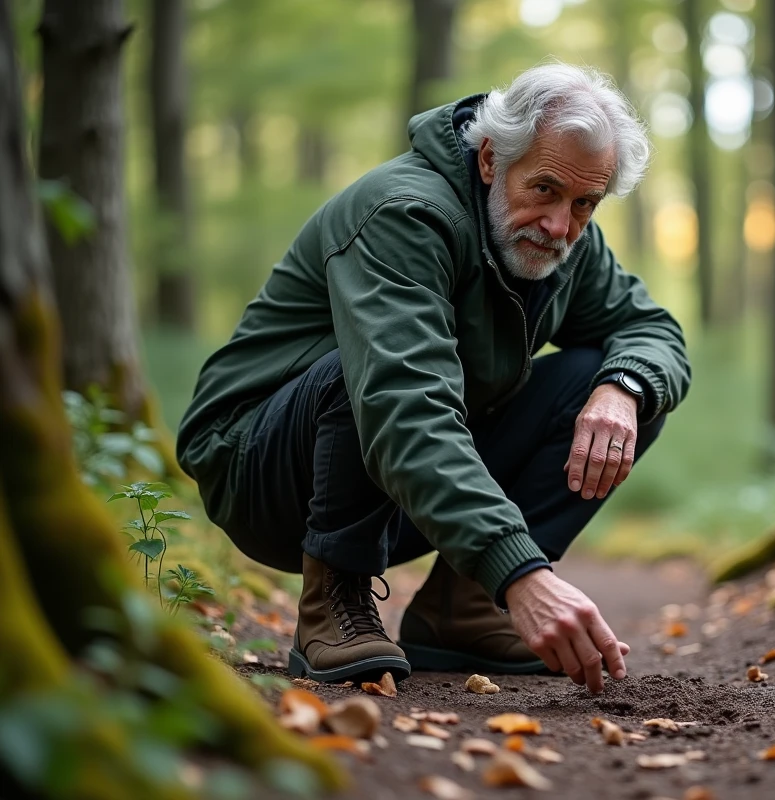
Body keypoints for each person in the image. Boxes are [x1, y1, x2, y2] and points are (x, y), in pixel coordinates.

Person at [176, 63, 691, 695]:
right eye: (545, 189)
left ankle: (462, 608)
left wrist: (623, 389)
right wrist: (521, 573)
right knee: (364, 373)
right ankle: (333, 596)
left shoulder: (565, 241)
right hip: (262, 468)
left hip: (399, 475)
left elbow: (651, 330)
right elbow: (404, 404)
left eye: (585, 203)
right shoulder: (405, 213)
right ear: (490, 159)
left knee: (620, 384)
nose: (561, 225)